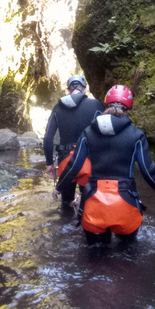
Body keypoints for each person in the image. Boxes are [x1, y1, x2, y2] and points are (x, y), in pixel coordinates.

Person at [56, 84, 155, 244]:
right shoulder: (137, 135)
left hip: (94, 206)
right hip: (125, 205)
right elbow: (148, 172)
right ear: (128, 109)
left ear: (105, 105)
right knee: (126, 257)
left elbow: (73, 166)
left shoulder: (88, 132)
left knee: (93, 255)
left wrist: (59, 187)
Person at [43, 75, 103, 213]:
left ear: (68, 90)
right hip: (87, 160)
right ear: (85, 88)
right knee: (88, 204)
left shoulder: (58, 108)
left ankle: (65, 226)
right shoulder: (95, 105)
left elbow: (48, 138)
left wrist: (49, 163)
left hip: (66, 162)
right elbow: (103, 134)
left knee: (66, 204)